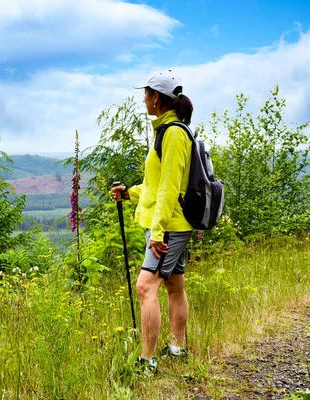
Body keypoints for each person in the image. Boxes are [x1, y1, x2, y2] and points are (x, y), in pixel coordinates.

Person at [111, 70, 194, 375]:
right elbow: (155, 184)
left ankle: (148, 362)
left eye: (145, 93)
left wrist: (157, 231)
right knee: (174, 285)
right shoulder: (167, 131)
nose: (143, 99)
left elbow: (170, 188)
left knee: (146, 288)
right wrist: (129, 193)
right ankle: (177, 348)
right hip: (172, 223)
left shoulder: (172, 133)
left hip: (169, 226)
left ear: (156, 98)